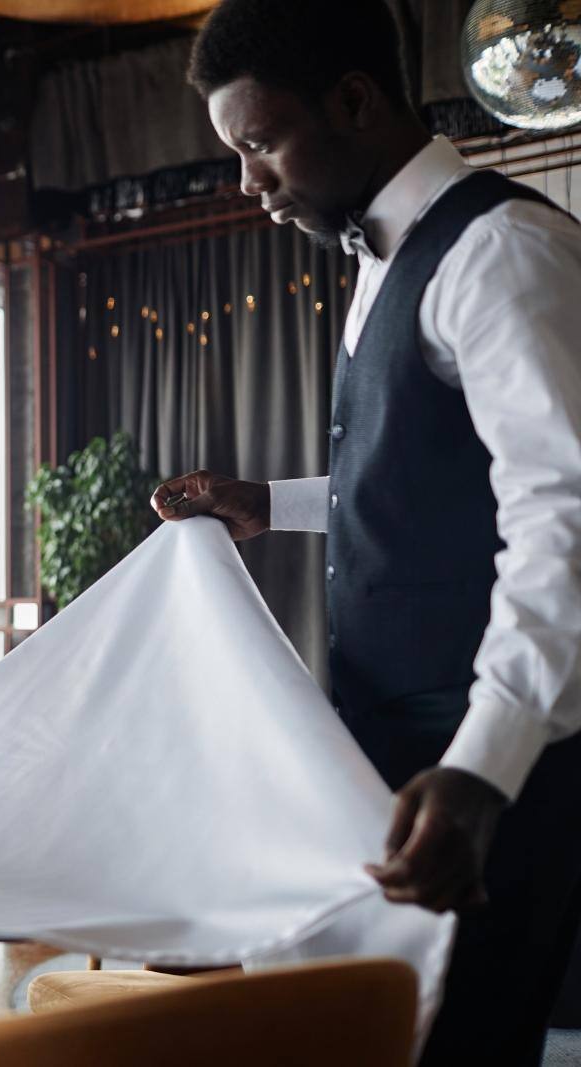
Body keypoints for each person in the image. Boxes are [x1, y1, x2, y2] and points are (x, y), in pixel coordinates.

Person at [148, 1, 581, 1062]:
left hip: (492, 767)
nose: (248, 178)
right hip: (402, 750)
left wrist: (484, 765)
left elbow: (563, 513)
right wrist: (275, 503)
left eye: (259, 142)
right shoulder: (379, 260)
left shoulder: (502, 250)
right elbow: (430, 477)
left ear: (352, 100)